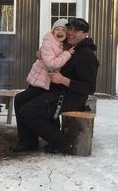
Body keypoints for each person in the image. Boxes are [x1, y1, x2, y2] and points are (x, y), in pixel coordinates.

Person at [13, 18, 99, 154]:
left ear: (85, 34)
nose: (71, 33)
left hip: (71, 97)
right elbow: (52, 50)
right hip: (55, 89)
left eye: (76, 31)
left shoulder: (86, 55)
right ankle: (28, 142)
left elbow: (89, 87)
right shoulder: (70, 46)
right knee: (20, 99)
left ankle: (61, 142)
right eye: (69, 29)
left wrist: (63, 80)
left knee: (27, 111)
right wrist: (41, 52)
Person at [26, 18, 74, 90]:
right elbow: (51, 64)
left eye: (63, 30)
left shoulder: (63, 44)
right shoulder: (48, 43)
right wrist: (67, 53)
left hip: (48, 80)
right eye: (57, 29)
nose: (60, 32)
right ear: (53, 31)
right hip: (39, 80)